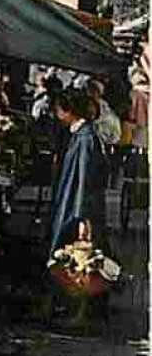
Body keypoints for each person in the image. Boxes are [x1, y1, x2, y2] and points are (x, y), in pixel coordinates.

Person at [48, 87, 108, 257]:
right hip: (71, 198)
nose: (57, 115)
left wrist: (82, 215)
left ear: (70, 111)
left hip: (75, 203)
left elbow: (85, 178)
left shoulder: (85, 138)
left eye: (59, 111)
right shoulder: (79, 134)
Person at [85, 78, 121, 151]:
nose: (89, 93)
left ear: (97, 92)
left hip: (104, 147)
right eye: (89, 90)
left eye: (92, 90)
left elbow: (116, 135)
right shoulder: (86, 105)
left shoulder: (107, 112)